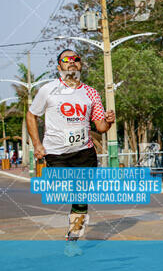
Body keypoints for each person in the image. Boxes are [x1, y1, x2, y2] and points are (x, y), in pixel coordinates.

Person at [26, 49, 115, 255]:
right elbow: (32, 116)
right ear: (59, 67)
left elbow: (100, 127)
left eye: (76, 60)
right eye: (66, 60)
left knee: (81, 199)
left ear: (80, 65)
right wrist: (37, 144)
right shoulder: (48, 90)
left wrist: (109, 122)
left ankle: (72, 241)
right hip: (56, 153)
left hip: (84, 153)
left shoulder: (91, 93)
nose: (72, 63)